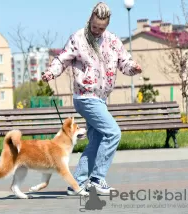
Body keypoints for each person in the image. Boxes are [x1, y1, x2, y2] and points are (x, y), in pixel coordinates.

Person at [42, 2, 142, 195]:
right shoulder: (79, 38)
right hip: (85, 97)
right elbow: (62, 59)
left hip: (101, 99)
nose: (96, 31)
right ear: (90, 20)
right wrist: (51, 73)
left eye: (101, 28)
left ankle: (76, 184)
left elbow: (125, 62)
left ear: (107, 25)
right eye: (94, 26)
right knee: (113, 133)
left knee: (95, 142)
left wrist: (134, 68)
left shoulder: (113, 41)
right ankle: (97, 179)